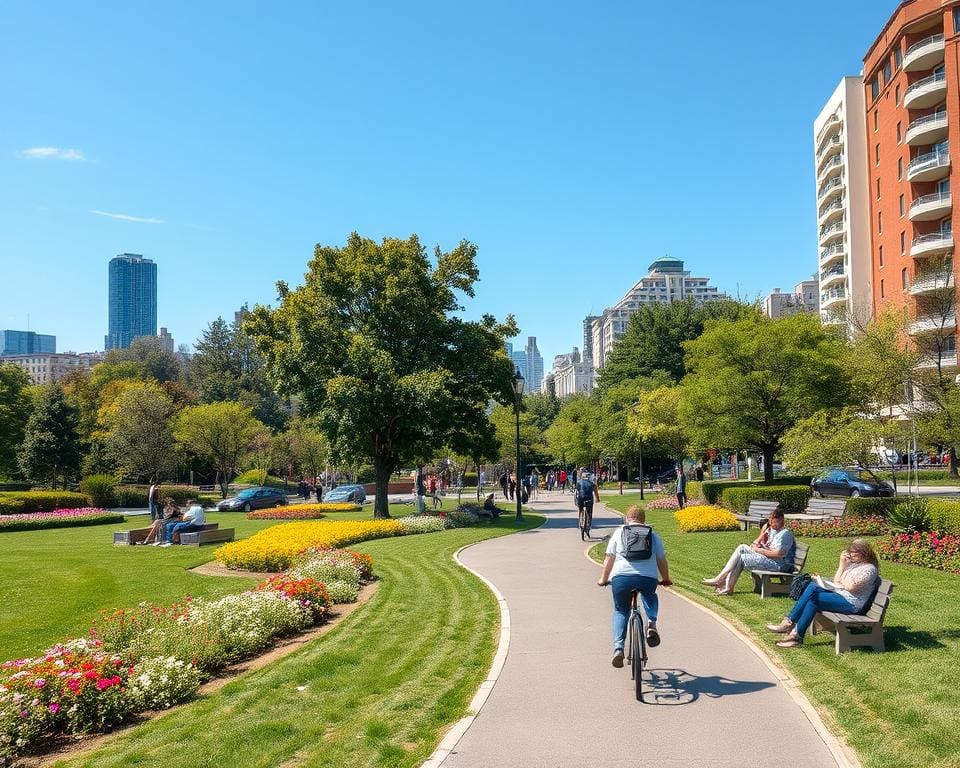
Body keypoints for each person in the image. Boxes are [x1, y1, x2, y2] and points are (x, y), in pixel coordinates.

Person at [767, 539, 880, 648]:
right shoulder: (853, 564)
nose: (850, 554)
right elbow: (837, 580)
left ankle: (791, 626)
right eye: (849, 551)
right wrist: (842, 565)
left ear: (864, 553)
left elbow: (851, 587)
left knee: (813, 597)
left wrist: (843, 581)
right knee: (812, 590)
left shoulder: (869, 569)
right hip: (840, 594)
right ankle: (794, 632)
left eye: (853, 552)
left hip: (852, 603)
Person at [597, 506, 672, 667]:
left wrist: (603, 579)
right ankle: (651, 624)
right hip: (647, 578)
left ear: (627, 518)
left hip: (621, 578)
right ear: (643, 519)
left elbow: (609, 559)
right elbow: (661, 560)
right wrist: (665, 578)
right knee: (650, 596)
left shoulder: (619, 533)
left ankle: (618, 648)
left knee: (620, 610)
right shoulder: (653, 534)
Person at [702, 510, 795, 594]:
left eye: (774, 523)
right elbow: (760, 544)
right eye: (770, 523)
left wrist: (760, 550)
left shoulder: (785, 534)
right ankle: (722, 580)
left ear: (781, 520)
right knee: (741, 547)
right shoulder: (773, 530)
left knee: (742, 558)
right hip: (768, 559)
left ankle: (724, 583)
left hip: (778, 565)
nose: (772, 526)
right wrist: (760, 540)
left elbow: (778, 554)